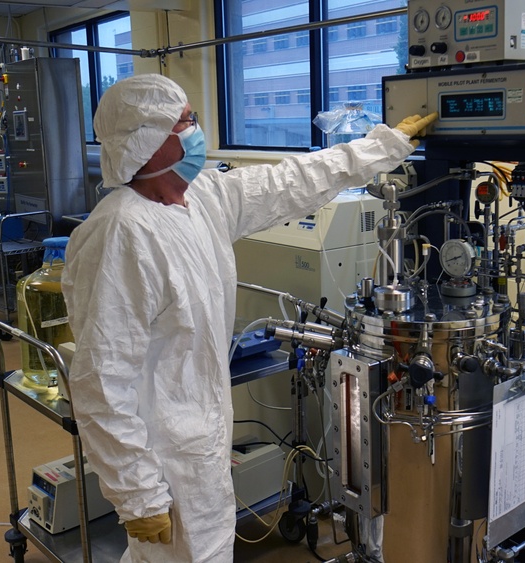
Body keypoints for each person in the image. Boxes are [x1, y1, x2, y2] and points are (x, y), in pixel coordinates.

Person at [62, 73, 436, 563]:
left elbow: (294, 180)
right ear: (149, 141)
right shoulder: (120, 234)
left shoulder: (202, 200)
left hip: (201, 443)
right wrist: (136, 493)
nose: (198, 132)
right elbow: (100, 381)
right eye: (186, 122)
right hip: (164, 460)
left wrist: (384, 145)